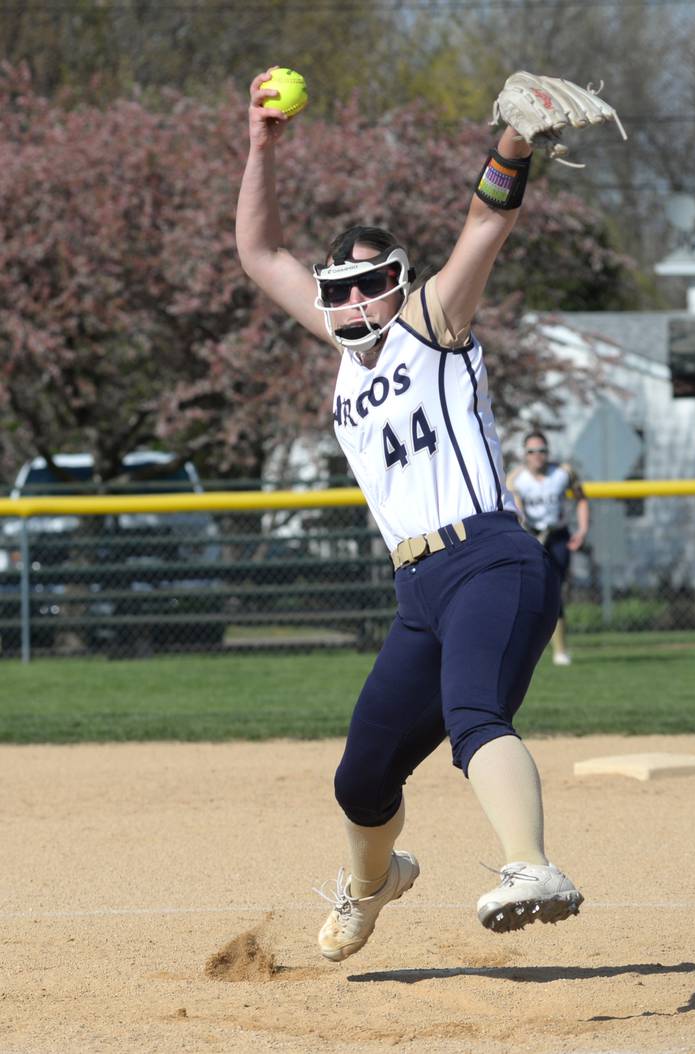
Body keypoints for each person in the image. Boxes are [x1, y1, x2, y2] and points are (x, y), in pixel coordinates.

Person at [235, 66, 590, 964]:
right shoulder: (345, 355)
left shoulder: (432, 322)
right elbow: (258, 253)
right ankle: (373, 883)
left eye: (373, 282)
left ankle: (531, 866)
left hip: (491, 560)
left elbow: (486, 222)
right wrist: (260, 148)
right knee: (361, 779)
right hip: (418, 590)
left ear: (400, 281)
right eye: (342, 288)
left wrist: (511, 141)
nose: (356, 301)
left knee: (474, 717)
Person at [506, 431, 590, 666]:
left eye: (542, 451)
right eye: (532, 452)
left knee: (555, 590)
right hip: (532, 537)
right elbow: (516, 512)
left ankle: (560, 650)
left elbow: (581, 499)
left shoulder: (562, 473)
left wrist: (582, 530)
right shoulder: (516, 479)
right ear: (524, 454)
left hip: (557, 536)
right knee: (529, 592)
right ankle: (528, 645)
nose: (537, 456)